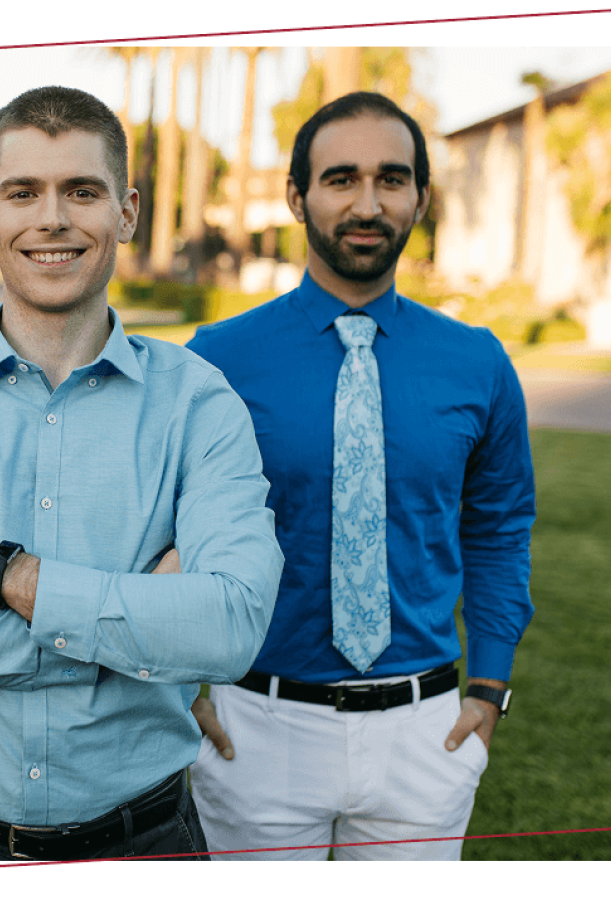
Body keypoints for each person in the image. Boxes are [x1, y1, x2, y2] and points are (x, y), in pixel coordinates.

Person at [0, 86, 282, 864]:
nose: (52, 218)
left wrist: (7, 577)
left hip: (147, 841)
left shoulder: (199, 403)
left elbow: (232, 627)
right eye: (23, 193)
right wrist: (139, 623)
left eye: (81, 191)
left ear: (127, 211)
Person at [186, 92, 536, 861]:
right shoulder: (217, 358)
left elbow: (499, 526)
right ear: (297, 197)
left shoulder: (477, 363)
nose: (368, 203)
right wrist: (177, 688)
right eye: (341, 178)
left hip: (427, 735)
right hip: (257, 730)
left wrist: (491, 686)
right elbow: (160, 536)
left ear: (420, 197)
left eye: (392, 178)